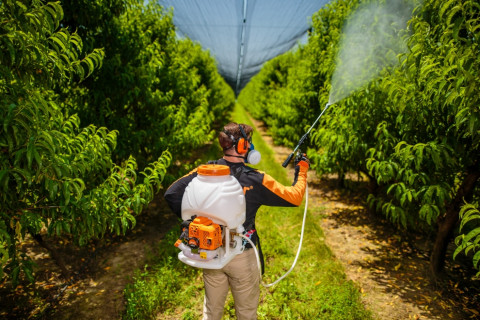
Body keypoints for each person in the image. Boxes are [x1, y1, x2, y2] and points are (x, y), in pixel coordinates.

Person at [164, 122, 309, 320]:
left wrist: (195, 223)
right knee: (247, 313)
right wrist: (301, 170)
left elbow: (171, 193)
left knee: (211, 311)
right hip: (242, 255)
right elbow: (295, 197)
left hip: (211, 253)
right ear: (242, 146)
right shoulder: (256, 179)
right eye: (249, 142)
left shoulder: (204, 172)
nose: (251, 147)